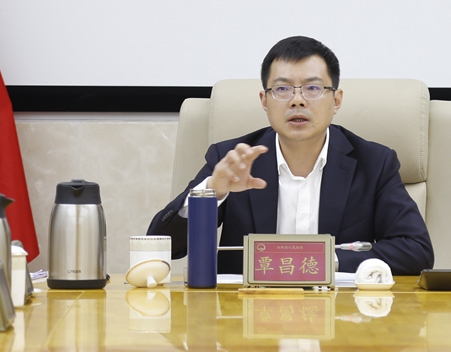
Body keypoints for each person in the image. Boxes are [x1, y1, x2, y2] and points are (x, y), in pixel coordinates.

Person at [147, 36, 434, 275]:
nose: (297, 100)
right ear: (265, 101)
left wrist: (323, 261)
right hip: (245, 318)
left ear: (336, 100)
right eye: (282, 89)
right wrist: (211, 192)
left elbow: (416, 251)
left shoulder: (374, 163)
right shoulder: (233, 160)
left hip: (342, 316)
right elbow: (164, 246)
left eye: (313, 88)